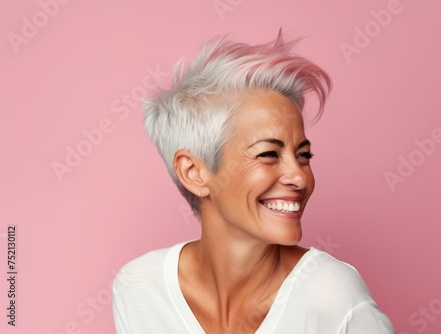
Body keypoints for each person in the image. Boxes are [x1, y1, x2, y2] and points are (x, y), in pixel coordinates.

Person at [112, 30, 395, 334]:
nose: (300, 176)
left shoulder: (334, 300)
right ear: (194, 173)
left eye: (303, 155)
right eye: (268, 154)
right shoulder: (138, 288)